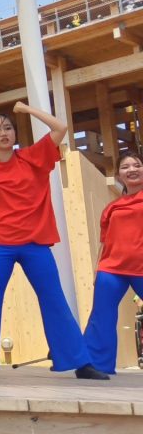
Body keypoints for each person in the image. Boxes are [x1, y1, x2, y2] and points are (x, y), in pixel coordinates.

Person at [0, 101, 107, 379]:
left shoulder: (34, 156)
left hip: (35, 244)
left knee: (54, 299)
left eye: (8, 128)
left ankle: (81, 362)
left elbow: (61, 127)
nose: (4, 133)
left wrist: (28, 110)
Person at [83, 153, 143, 374]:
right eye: (125, 167)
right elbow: (105, 242)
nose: (132, 169)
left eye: (137, 165)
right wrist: (97, 269)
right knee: (102, 316)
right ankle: (97, 367)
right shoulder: (111, 208)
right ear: (119, 175)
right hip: (111, 269)